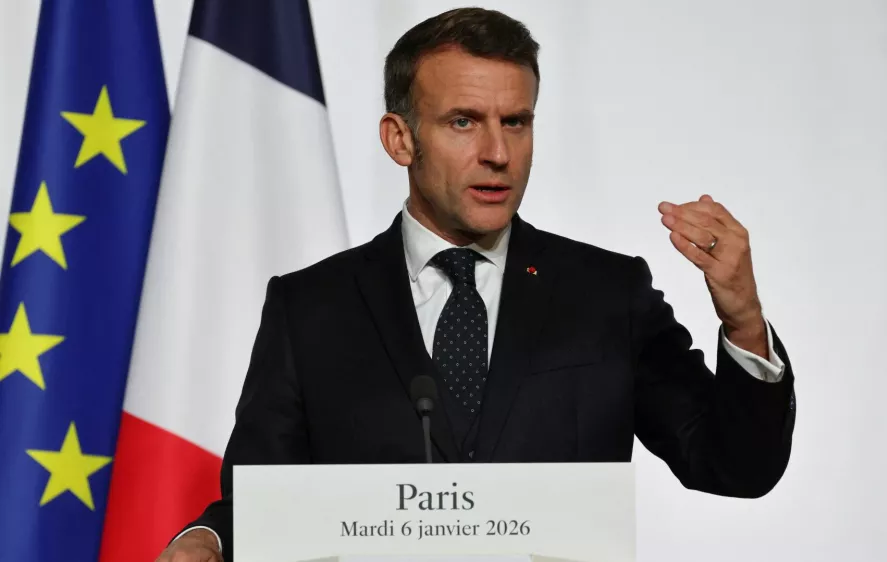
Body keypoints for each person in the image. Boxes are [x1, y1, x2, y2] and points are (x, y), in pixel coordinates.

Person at [157, 7, 796, 561]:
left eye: (516, 122)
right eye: (463, 121)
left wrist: (743, 320)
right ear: (399, 138)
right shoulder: (310, 307)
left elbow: (735, 466)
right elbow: (262, 503)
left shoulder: (606, 295)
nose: (498, 153)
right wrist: (208, 538)